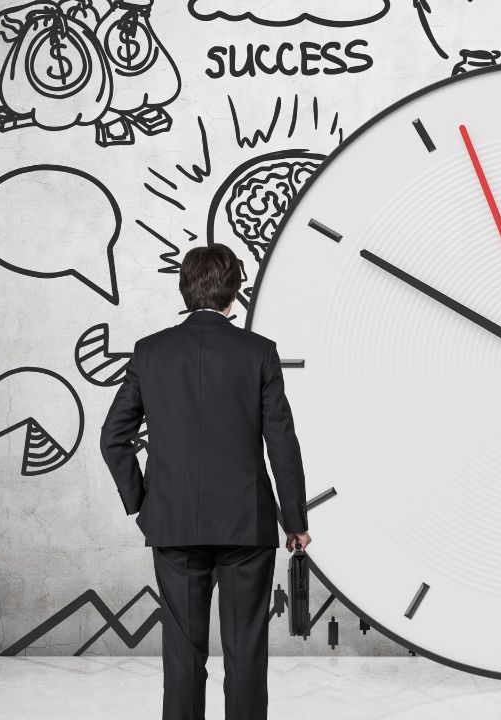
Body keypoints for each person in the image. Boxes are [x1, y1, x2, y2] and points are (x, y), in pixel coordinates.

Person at [100, 243, 311, 720]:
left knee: (182, 658)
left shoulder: (150, 352)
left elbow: (113, 437)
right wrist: (294, 519)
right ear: (234, 293)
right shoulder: (259, 353)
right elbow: (282, 442)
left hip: (172, 524)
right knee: (245, 657)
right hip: (246, 526)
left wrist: (142, 503)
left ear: (184, 290)